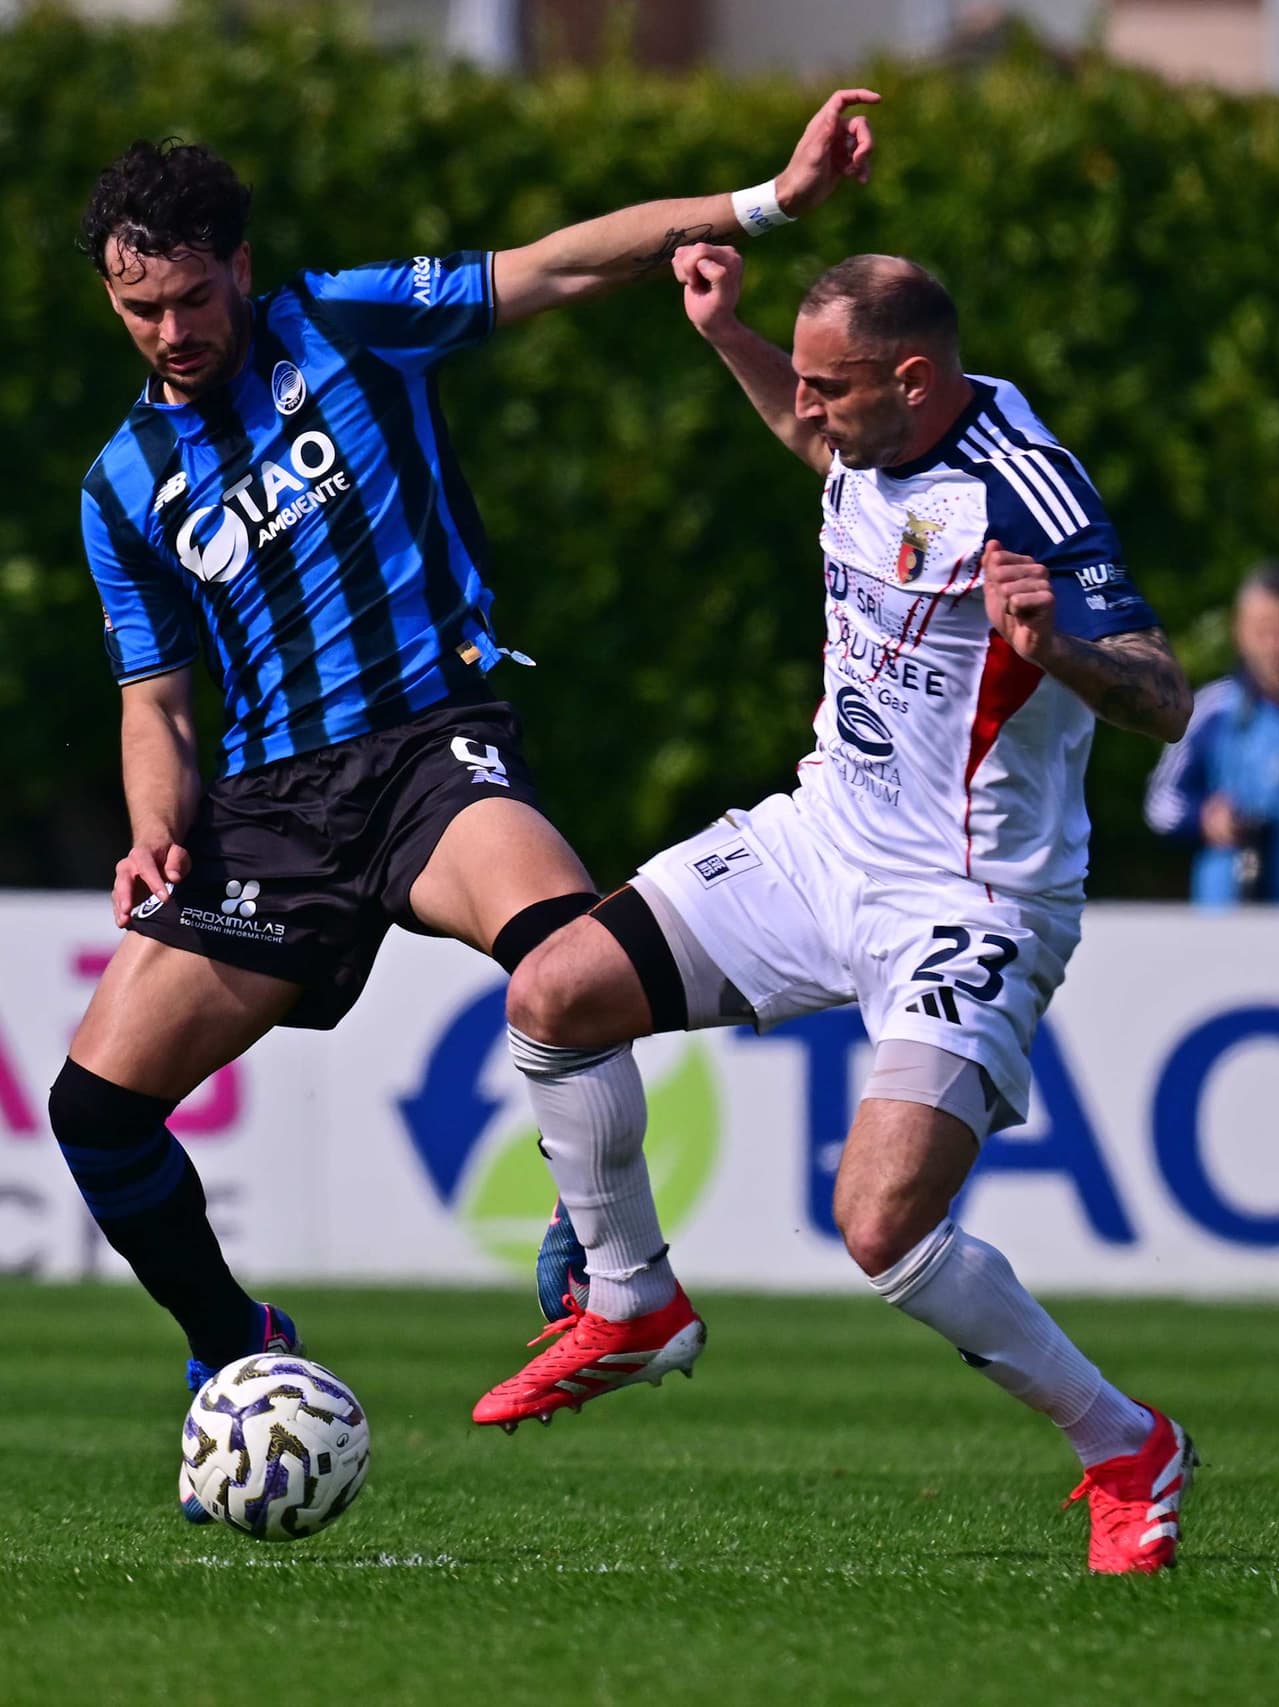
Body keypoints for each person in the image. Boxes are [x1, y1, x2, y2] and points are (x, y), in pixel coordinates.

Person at [50, 94, 879, 1522]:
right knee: (93, 1108)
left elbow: (559, 261)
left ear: (240, 266)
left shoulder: (349, 325)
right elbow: (156, 697)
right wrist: (153, 825)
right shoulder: (121, 486)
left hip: (432, 746)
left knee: (573, 954)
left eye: (190, 297)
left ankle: (604, 1245)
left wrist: (767, 205)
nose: (172, 333)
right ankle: (232, 1344)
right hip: (274, 813)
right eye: (139, 310)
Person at [475, 243, 1199, 1577]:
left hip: (968, 897)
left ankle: (1125, 1443)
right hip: (822, 840)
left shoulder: (1022, 485)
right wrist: (730, 337)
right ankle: (632, 1298)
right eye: (796, 382)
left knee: (880, 1222)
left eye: (827, 385)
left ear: (913, 379)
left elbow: (1166, 692)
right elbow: (830, 462)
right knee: (554, 992)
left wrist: (1058, 654)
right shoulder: (865, 435)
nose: (805, 410)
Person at [1144, 561, 1279, 901]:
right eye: (1264, 630)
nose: (1275, 646)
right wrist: (1207, 818)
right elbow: (1160, 802)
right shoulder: (1215, 708)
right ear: (1240, 631)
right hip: (1226, 914)